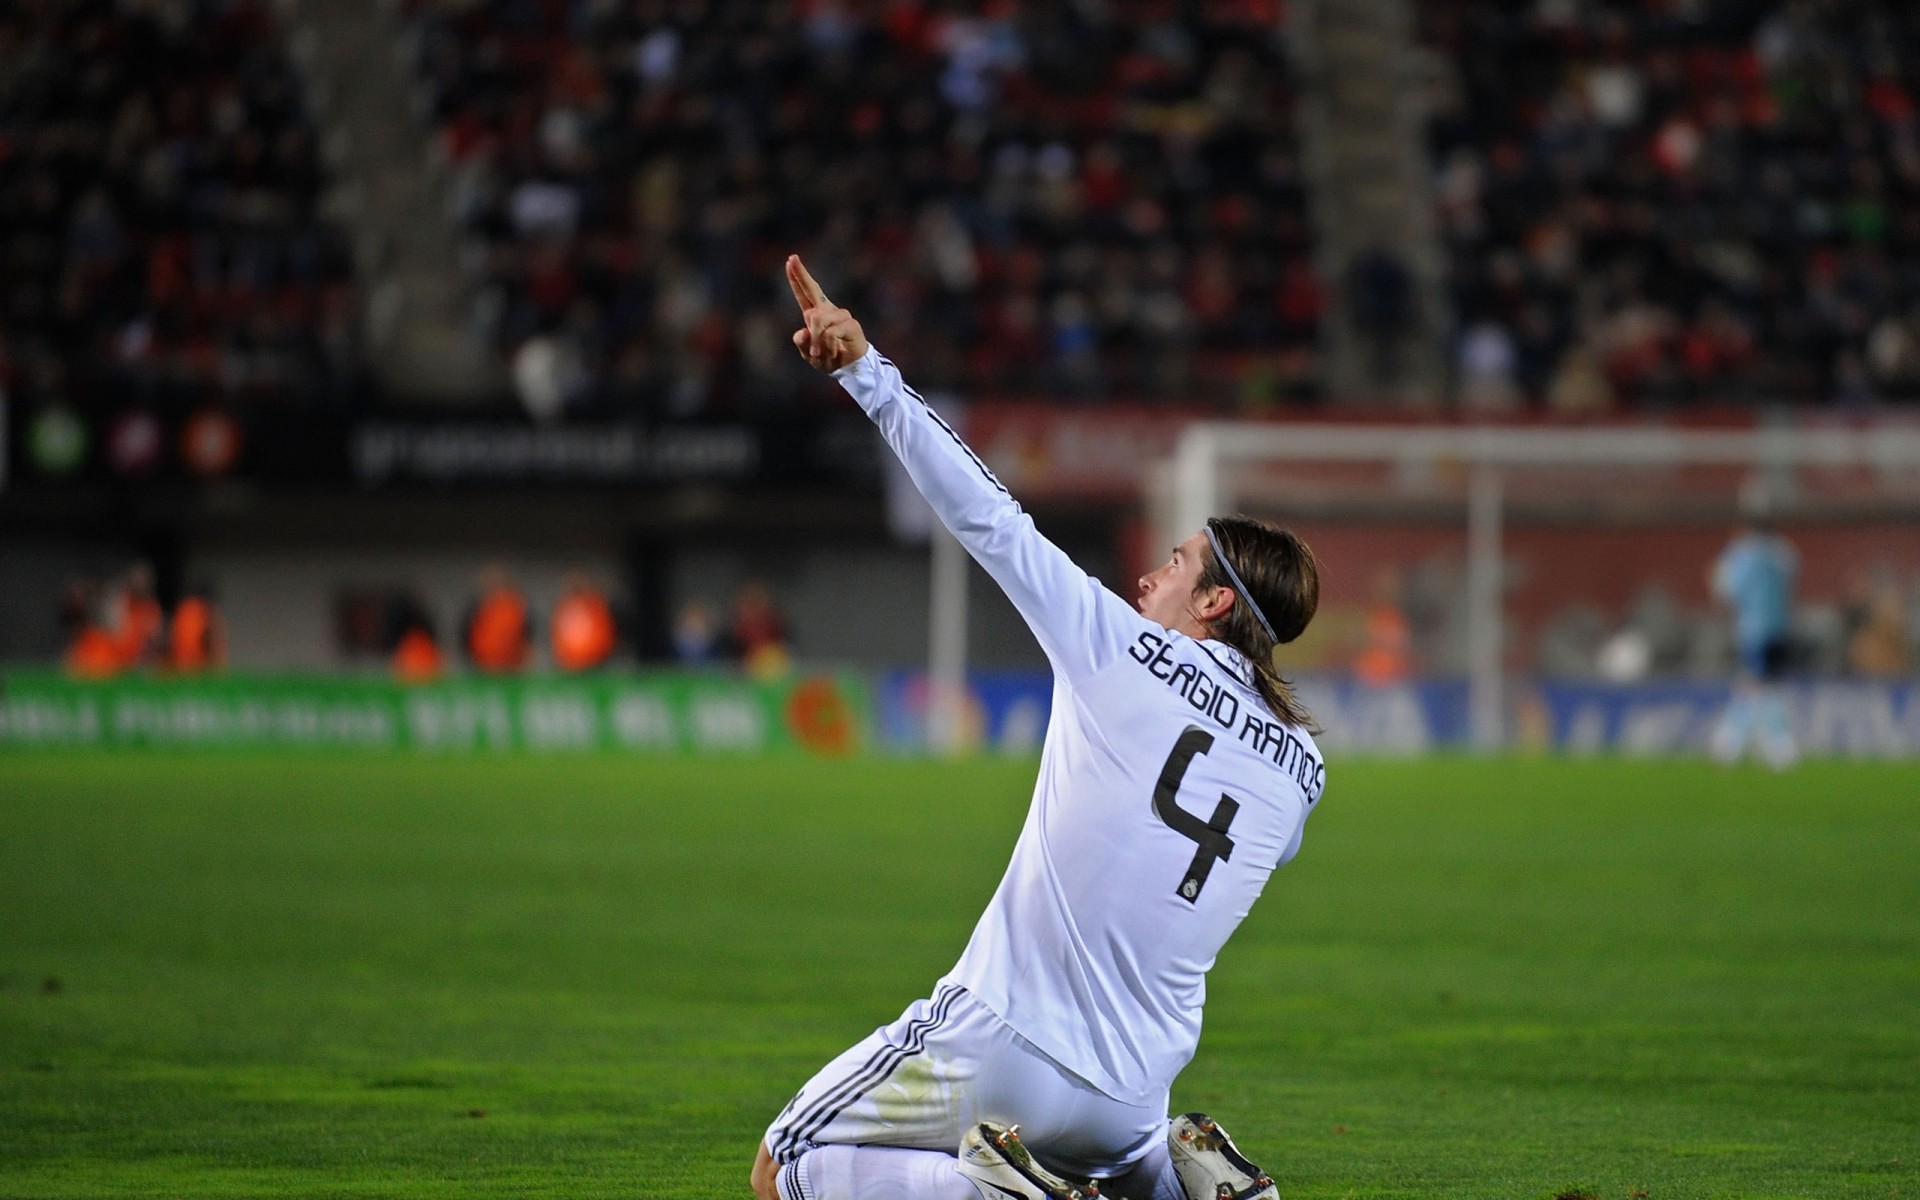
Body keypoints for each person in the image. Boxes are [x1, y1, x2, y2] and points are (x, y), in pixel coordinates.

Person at [751, 256, 1327, 1200]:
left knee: (785, 1169)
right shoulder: (1302, 765)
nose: (1148, 575)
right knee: (1120, 1165)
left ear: (1216, 601)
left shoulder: (1120, 650)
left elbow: (990, 518)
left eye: (1175, 565)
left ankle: (990, 1196)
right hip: (1135, 1096)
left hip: (1002, 1037)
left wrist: (865, 370)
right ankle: (1183, 1191)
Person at [1708, 514, 1799, 769]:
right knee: (1767, 685)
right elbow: (1792, 585)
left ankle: (1735, 740)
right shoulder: (1785, 552)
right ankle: (1772, 743)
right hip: (1780, 629)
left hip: (1753, 631)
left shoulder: (1742, 554)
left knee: (1754, 685)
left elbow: (1725, 589)